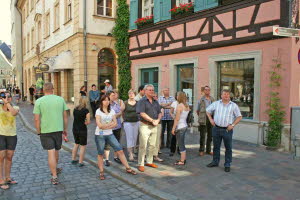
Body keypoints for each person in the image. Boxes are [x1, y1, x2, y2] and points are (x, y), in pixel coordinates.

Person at [33, 82, 69, 185]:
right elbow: (65, 116)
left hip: (45, 130)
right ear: (53, 89)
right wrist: (65, 129)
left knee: (51, 152)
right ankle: (55, 169)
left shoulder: (39, 101)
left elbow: (36, 119)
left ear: (43, 90)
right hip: (58, 129)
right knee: (56, 151)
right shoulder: (60, 99)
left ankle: (54, 176)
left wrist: (38, 131)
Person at [95, 95, 137, 180]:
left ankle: (128, 168)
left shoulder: (112, 111)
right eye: (104, 100)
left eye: (107, 100)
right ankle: (101, 171)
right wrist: (109, 125)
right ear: (101, 102)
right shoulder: (98, 111)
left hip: (110, 134)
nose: (106, 102)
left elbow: (116, 124)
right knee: (100, 153)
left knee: (120, 150)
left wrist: (106, 126)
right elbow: (99, 125)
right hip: (100, 135)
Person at [206, 89, 242, 172]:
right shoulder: (216, 103)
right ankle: (215, 162)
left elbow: (239, 117)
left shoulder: (233, 105)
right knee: (216, 147)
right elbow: (207, 110)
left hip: (227, 130)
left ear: (230, 96)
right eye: (224, 94)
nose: (226, 96)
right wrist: (211, 119)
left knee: (228, 148)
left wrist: (232, 125)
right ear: (221, 95)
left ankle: (227, 164)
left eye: (228, 94)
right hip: (216, 129)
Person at [136, 84, 162, 172]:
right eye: (149, 90)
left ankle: (149, 161)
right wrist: (152, 120)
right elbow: (142, 113)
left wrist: (158, 120)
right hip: (145, 125)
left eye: (152, 90)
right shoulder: (142, 101)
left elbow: (160, 112)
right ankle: (141, 163)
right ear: (145, 91)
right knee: (143, 145)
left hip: (154, 125)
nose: (151, 91)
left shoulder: (155, 101)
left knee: (152, 145)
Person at [0, 91, 19, 190]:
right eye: (4, 97)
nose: (6, 98)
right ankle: (1, 179)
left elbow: (14, 113)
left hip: (12, 135)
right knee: (1, 157)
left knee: (9, 157)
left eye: (8, 97)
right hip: (1, 135)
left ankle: (7, 177)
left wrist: (7, 103)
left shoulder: (15, 108)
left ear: (11, 98)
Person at [103, 91, 124, 166]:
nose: (114, 96)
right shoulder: (106, 105)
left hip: (117, 126)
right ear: (108, 96)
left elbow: (120, 112)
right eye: (112, 95)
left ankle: (116, 157)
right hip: (109, 127)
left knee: (117, 142)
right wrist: (115, 115)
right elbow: (107, 116)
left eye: (114, 95)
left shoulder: (116, 104)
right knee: (107, 144)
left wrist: (114, 115)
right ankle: (106, 159)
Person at [171, 92, 190, 165]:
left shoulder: (179, 106)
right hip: (184, 125)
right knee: (182, 143)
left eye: (178, 96)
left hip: (180, 127)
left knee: (181, 144)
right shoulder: (187, 105)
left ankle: (182, 161)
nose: (176, 97)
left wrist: (173, 128)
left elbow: (177, 119)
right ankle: (183, 159)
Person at [71, 97, 90, 167]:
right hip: (82, 129)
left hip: (75, 129)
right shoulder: (86, 111)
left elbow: (75, 118)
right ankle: (80, 162)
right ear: (85, 102)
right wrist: (84, 122)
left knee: (76, 144)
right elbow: (88, 122)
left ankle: (73, 159)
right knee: (82, 146)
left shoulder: (75, 109)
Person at [197, 86, 215, 156]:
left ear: (210, 91)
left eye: (208, 90)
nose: (207, 91)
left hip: (211, 118)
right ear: (204, 91)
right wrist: (201, 117)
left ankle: (208, 150)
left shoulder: (213, 99)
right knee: (202, 136)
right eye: (206, 90)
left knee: (210, 136)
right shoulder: (201, 100)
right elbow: (197, 111)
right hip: (203, 119)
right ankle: (201, 150)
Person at [123, 90, 139, 162]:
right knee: (129, 138)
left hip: (136, 122)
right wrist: (124, 119)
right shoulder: (125, 102)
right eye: (129, 93)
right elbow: (121, 111)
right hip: (128, 122)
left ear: (135, 95)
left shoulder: (138, 103)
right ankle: (130, 154)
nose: (131, 94)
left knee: (134, 138)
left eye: (132, 93)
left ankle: (132, 151)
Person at [158, 88, 175, 154]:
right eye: (165, 90)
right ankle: (162, 144)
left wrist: (164, 106)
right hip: (162, 117)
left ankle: (169, 144)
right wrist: (169, 104)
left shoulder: (172, 98)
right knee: (161, 132)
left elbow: (173, 106)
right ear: (163, 91)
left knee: (170, 131)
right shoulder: (160, 98)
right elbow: (160, 106)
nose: (166, 91)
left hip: (170, 117)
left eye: (167, 90)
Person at [152, 93, 164, 162]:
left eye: (156, 96)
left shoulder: (159, 106)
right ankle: (149, 155)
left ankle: (155, 155)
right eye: (154, 96)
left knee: (157, 140)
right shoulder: (149, 104)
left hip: (158, 124)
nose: (155, 97)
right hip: (150, 124)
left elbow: (161, 114)